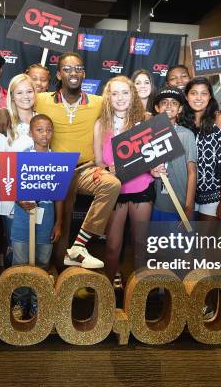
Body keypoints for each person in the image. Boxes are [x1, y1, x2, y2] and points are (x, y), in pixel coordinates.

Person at [33, 52, 121, 271]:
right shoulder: (42, 99)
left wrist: (147, 117)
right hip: (54, 171)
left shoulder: (98, 102)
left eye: (78, 69)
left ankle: (79, 245)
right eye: (67, 69)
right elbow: (18, 102)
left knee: (112, 184)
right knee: (58, 229)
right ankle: (55, 277)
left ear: (84, 73)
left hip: (85, 169)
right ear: (59, 73)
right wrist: (6, 113)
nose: (73, 73)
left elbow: (125, 111)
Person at [93, 76, 154, 282]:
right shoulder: (101, 124)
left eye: (125, 92)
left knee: (140, 246)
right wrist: (107, 168)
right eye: (115, 93)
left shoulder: (146, 119)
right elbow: (99, 162)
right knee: (112, 246)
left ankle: (137, 296)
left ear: (133, 95)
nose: (120, 98)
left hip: (142, 188)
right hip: (115, 191)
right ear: (108, 97)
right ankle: (107, 294)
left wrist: (157, 167)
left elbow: (156, 156)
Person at [9, 114, 63, 318]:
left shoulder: (57, 160)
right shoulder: (21, 157)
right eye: (39, 130)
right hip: (23, 221)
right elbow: (11, 187)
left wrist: (58, 223)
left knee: (42, 263)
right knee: (20, 263)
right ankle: (20, 301)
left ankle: (36, 301)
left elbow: (60, 196)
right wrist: (19, 201)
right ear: (30, 133)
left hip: (46, 221)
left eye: (48, 130)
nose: (44, 134)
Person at [0, 73, 37, 264]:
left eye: (29, 91)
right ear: (12, 96)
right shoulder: (4, 121)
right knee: (15, 247)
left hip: (37, 191)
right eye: (19, 92)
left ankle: (34, 290)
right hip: (12, 189)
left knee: (35, 246)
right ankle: (16, 293)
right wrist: (18, 167)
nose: (25, 96)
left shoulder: (42, 119)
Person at [179, 77, 221, 221]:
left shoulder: (220, 119)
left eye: (203, 93)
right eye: (193, 93)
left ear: (210, 96)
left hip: (212, 193)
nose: (198, 97)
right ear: (186, 96)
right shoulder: (181, 120)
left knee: (205, 242)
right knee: (185, 240)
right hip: (185, 191)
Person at [150, 87, 198, 222]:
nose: (169, 106)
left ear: (180, 109)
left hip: (180, 205)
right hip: (158, 204)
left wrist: (189, 205)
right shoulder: (149, 134)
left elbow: (192, 172)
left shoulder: (186, 135)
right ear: (157, 108)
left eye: (174, 103)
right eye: (164, 102)